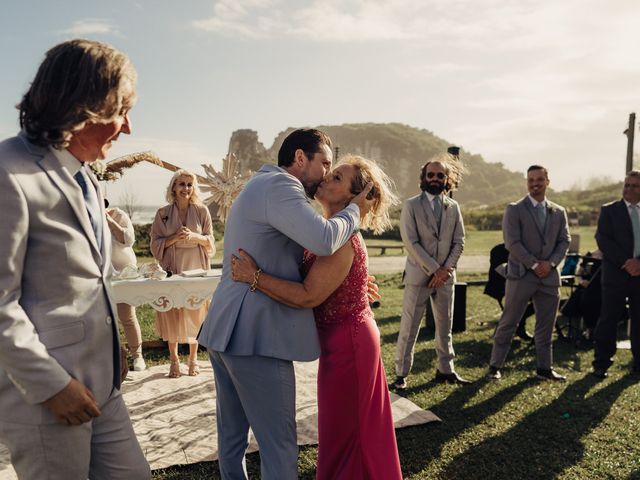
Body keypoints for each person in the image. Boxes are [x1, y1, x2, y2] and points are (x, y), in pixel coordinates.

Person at [0, 39, 150, 479]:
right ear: (87, 107)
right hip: (45, 400)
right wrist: (52, 387)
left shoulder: (86, 177)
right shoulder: (8, 174)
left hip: (104, 385)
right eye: (122, 111)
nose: (127, 128)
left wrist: (111, 348)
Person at [197, 128, 371, 479]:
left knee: (231, 440)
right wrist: (354, 211)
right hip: (255, 335)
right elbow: (323, 241)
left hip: (225, 330)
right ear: (299, 159)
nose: (325, 173)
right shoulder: (281, 187)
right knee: (279, 446)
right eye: (324, 163)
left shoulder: (262, 187)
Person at [230, 154, 402, 479]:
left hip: (349, 346)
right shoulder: (326, 233)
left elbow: (309, 295)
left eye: (337, 178)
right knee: (342, 432)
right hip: (341, 342)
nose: (326, 178)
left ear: (354, 198)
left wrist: (254, 277)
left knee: (350, 435)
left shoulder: (340, 241)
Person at [391, 154, 469, 390]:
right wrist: (435, 269)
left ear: (447, 179)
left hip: (446, 278)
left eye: (440, 175)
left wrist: (446, 271)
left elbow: (460, 241)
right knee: (409, 327)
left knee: (445, 326)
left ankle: (446, 369)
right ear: (423, 178)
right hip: (418, 276)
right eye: (431, 175)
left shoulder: (453, 207)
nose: (435, 179)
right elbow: (411, 242)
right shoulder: (411, 205)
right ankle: (401, 375)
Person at [487, 165, 570, 381]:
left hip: (549, 278)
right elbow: (511, 242)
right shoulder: (514, 209)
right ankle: (495, 366)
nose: (535, 183)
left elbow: (565, 240)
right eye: (531, 180)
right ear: (527, 182)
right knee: (509, 322)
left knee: (546, 325)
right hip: (521, 275)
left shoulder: (559, 212)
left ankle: (544, 368)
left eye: (539, 179)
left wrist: (550, 264)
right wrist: (535, 265)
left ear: (547, 181)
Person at [150, 169, 215, 378]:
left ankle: (193, 358)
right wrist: (174, 238)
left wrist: (195, 236)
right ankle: (174, 359)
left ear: (193, 188)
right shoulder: (162, 213)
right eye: (181, 184)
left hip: (196, 266)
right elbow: (155, 244)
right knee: (172, 312)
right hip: (172, 268)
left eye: (189, 184)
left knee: (196, 312)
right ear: (173, 187)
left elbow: (210, 242)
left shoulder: (203, 211)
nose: (185, 188)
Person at [591, 170, 640, 378]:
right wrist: (626, 262)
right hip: (615, 275)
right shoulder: (610, 210)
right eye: (626, 185)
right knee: (609, 318)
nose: (629, 189)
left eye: (634, 186)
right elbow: (602, 239)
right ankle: (601, 363)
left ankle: (638, 363)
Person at [105, 199, 146, 371]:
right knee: (106, 319)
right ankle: (114, 358)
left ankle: (137, 356)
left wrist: (108, 220)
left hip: (123, 273)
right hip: (103, 273)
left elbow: (128, 240)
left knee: (127, 316)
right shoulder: (87, 214)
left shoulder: (119, 215)